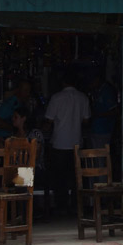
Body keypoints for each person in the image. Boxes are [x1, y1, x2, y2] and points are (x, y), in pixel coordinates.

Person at [43, 67, 91, 216]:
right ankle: (77, 206)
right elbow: (86, 120)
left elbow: (48, 121)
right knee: (76, 177)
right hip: (76, 142)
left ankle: (61, 206)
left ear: (63, 82)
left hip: (59, 143)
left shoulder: (56, 98)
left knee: (60, 178)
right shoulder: (83, 98)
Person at [88, 70, 119, 153]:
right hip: (96, 128)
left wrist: (97, 115)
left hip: (104, 129)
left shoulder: (107, 91)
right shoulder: (97, 91)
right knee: (95, 154)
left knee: (100, 155)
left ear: (98, 79)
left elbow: (115, 111)